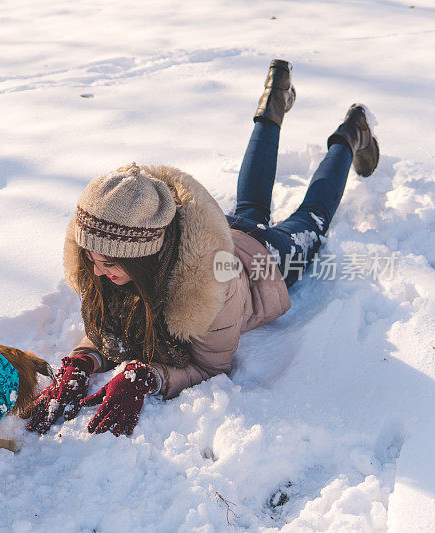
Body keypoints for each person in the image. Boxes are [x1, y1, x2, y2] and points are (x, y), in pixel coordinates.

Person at [23, 59, 380, 436]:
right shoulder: (135, 245)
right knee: (251, 208)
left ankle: (351, 133)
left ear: (141, 258)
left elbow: (211, 367)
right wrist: (82, 362)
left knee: (313, 217)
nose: (97, 271)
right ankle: (274, 104)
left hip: (262, 260)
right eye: (90, 259)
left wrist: (149, 377)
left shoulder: (207, 292)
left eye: (107, 262)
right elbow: (110, 325)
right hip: (219, 234)